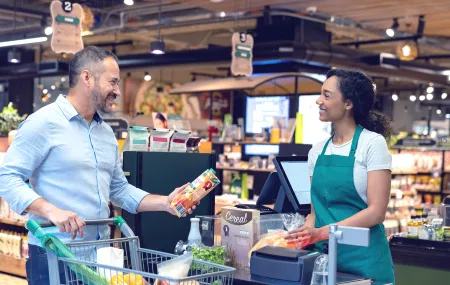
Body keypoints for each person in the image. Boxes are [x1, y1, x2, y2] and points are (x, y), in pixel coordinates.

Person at [0, 46, 196, 285]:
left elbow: (119, 190)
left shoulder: (106, 133)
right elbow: (7, 178)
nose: (118, 91)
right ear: (87, 78)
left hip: (101, 259)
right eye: (112, 82)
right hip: (54, 254)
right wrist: (51, 210)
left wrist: (166, 202)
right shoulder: (42, 123)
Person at [285, 69, 395, 284]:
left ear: (348, 104)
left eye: (327, 95)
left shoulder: (372, 144)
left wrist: (321, 233)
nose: (319, 101)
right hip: (325, 261)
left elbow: (376, 212)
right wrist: (305, 231)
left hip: (364, 261)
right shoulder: (317, 151)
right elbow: (315, 212)